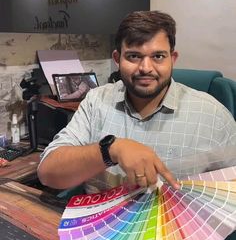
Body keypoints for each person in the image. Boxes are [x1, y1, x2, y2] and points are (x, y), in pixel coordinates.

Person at [38, 11, 236, 194]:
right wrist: (110, 150)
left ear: (172, 59)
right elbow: (47, 173)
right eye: (134, 56)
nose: (145, 68)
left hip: (178, 230)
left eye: (158, 56)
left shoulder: (212, 114)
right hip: (104, 228)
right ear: (117, 58)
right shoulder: (96, 101)